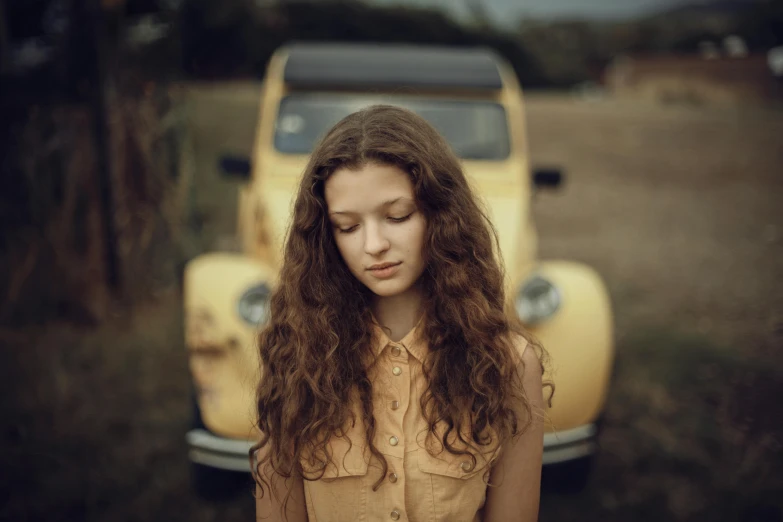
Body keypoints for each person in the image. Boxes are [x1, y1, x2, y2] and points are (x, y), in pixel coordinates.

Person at [250, 105, 549, 522]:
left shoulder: (509, 364)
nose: (373, 244)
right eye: (347, 227)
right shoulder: (294, 355)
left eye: (397, 216)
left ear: (441, 215)